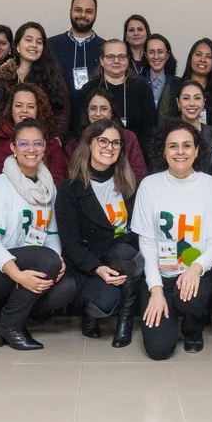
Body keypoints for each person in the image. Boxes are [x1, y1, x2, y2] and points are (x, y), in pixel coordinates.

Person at [0, 119, 77, 350]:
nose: (31, 149)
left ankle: (4, 312)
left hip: (28, 260)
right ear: (13, 148)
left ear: (45, 147)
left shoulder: (48, 188)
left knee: (66, 288)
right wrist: (18, 275)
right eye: (24, 143)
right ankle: (10, 326)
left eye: (37, 143)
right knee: (46, 261)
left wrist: (57, 262)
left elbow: (51, 234)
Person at [132, 120, 212, 359]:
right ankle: (170, 312)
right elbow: (147, 244)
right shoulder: (149, 185)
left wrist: (195, 269)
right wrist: (156, 291)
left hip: (196, 273)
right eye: (173, 146)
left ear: (197, 150)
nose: (180, 152)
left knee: (192, 299)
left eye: (187, 145)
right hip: (160, 274)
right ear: (163, 152)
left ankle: (193, 327)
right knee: (159, 349)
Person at [57, 119, 144, 346]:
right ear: (89, 144)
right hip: (88, 264)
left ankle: (125, 320)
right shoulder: (70, 188)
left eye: (116, 143)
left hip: (122, 259)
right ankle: (90, 313)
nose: (109, 147)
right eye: (103, 141)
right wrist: (97, 268)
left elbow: (137, 230)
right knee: (104, 302)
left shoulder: (128, 183)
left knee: (126, 252)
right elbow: (70, 244)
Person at [0, 83, 68, 191]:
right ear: (10, 108)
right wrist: (10, 195)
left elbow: (58, 182)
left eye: (30, 106)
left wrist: (33, 195)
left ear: (38, 109)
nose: (24, 110)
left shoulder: (52, 144)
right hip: (2, 198)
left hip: (40, 199)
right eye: (18, 105)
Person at [76, 39, 159, 159]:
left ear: (127, 60)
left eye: (121, 57)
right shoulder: (89, 88)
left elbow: (150, 128)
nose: (116, 61)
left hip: (134, 154)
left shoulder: (141, 87)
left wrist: (137, 154)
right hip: (96, 155)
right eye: (110, 57)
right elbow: (80, 125)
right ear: (101, 61)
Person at [0, 21, 71, 138]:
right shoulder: (2, 76)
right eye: (28, 40)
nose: (34, 45)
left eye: (39, 42)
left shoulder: (51, 75)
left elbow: (63, 111)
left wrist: (57, 138)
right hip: (8, 139)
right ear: (17, 45)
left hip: (44, 140)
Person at [67, 87, 148, 183]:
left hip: (122, 189)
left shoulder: (128, 137)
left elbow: (139, 174)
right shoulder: (76, 142)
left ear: (112, 112)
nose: (98, 114)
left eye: (103, 109)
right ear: (87, 111)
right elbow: (69, 177)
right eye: (93, 109)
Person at [161, 79, 212, 184]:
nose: (192, 103)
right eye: (186, 98)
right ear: (178, 103)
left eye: (197, 98)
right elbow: (159, 172)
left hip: (208, 192)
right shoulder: (166, 134)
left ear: (204, 102)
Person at [47, 0, 104, 109]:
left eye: (88, 11)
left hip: (95, 115)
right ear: (70, 11)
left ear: (96, 15)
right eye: (78, 10)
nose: (83, 15)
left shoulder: (105, 49)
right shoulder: (51, 45)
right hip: (58, 113)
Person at [162, 38, 212, 128]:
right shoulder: (173, 88)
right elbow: (163, 123)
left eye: (209, 57)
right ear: (191, 58)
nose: (203, 60)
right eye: (198, 55)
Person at [144, 34, 180, 109]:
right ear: (146, 55)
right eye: (151, 52)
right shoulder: (137, 82)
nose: (156, 57)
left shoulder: (178, 84)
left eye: (160, 52)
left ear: (167, 55)